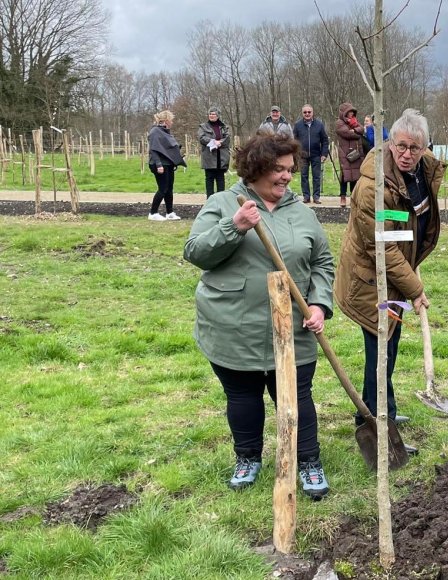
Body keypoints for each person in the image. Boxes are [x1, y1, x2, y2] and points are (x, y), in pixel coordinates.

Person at [183, 132, 334, 500]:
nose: (286, 176)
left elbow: (323, 263)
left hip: (293, 329)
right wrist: (233, 227)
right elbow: (195, 252)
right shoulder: (223, 203)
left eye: (289, 169)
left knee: (297, 397)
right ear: (256, 169)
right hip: (234, 327)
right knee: (243, 397)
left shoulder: (301, 212)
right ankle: (247, 456)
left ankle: (308, 460)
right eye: (277, 170)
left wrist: (318, 304)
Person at [335, 109, 446, 452]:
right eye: (401, 146)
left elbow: (412, 225)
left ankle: (380, 413)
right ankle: (380, 425)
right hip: (373, 281)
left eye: (415, 148)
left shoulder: (422, 170)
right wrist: (415, 287)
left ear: (426, 147)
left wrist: (412, 269)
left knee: (389, 345)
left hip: (396, 276)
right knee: (381, 349)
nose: (407, 154)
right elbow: (383, 248)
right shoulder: (373, 187)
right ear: (390, 142)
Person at [147, 110, 186, 221]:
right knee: (163, 189)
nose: (172, 122)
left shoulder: (165, 132)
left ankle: (170, 212)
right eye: (171, 120)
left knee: (169, 189)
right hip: (159, 164)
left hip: (168, 164)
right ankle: (153, 213)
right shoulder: (155, 131)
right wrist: (159, 165)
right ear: (166, 120)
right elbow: (153, 150)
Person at [293, 104, 330, 205]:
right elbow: (294, 141)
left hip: (316, 155)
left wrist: (324, 154)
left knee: (316, 177)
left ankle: (316, 197)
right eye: (305, 112)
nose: (307, 114)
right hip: (302, 156)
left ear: (312, 113)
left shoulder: (319, 124)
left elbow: (325, 140)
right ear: (302, 113)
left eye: (309, 112)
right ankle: (306, 196)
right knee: (304, 176)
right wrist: (296, 154)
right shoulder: (297, 125)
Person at [334, 103, 365, 209]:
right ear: (344, 113)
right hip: (345, 153)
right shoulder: (339, 123)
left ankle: (353, 197)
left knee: (355, 176)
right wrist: (356, 132)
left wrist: (355, 130)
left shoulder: (355, 122)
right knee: (345, 175)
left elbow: (362, 129)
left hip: (356, 154)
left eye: (352, 112)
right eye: (349, 112)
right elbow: (347, 133)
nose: (351, 113)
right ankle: (342, 197)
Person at [197, 107, 231, 198]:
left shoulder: (224, 127)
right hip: (209, 157)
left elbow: (227, 138)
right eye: (210, 114)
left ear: (218, 115)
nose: (211, 116)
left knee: (220, 179)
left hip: (221, 157)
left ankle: (221, 200)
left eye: (214, 114)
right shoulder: (203, 126)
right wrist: (213, 142)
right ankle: (210, 200)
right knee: (209, 179)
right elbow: (201, 138)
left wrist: (220, 142)